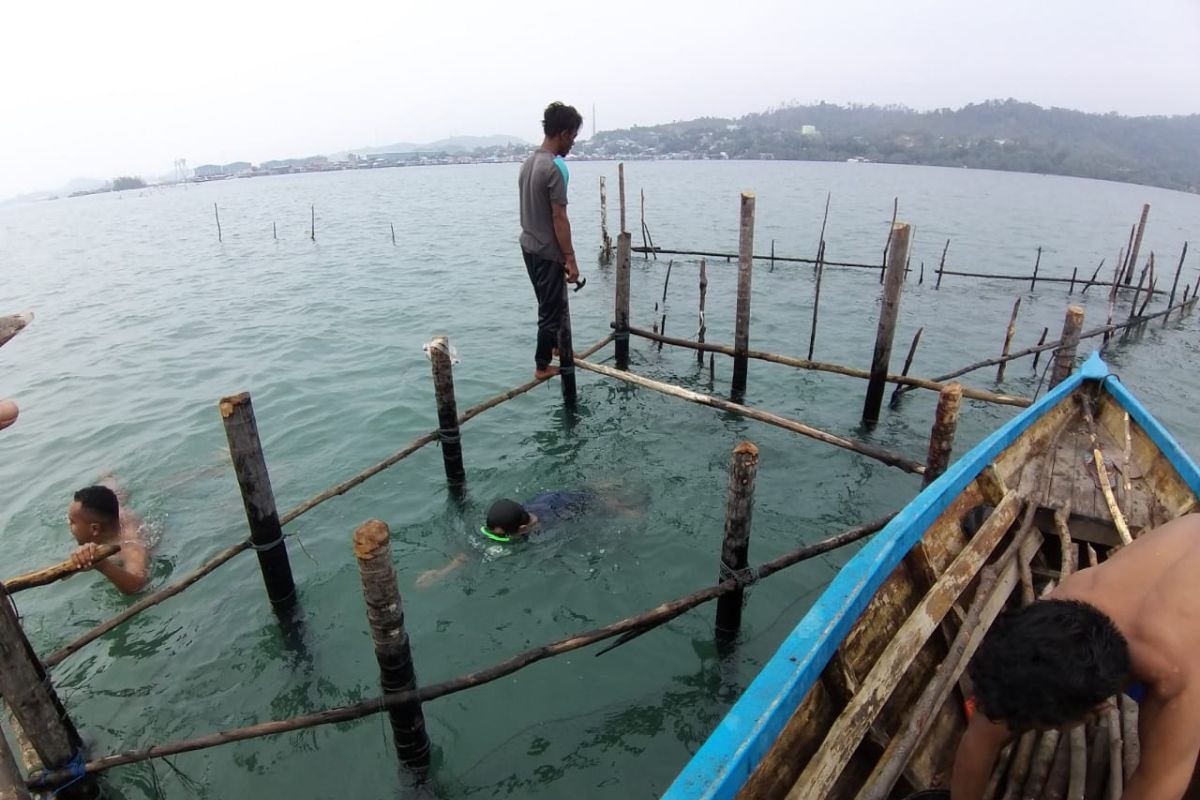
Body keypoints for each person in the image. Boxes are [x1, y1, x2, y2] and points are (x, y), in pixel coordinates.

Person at [951, 513, 1200, 800]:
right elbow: (982, 736)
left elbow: (1155, 787)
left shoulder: (1178, 680)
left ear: (1096, 709)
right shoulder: (1063, 606)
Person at [415, 490, 621, 588]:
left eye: (500, 536)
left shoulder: (556, 523)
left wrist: (621, 509)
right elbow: (478, 550)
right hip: (552, 498)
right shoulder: (519, 517)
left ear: (522, 529)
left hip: (578, 505)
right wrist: (442, 572)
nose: (494, 539)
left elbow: (593, 503)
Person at [518, 101, 584, 381]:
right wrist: (570, 257)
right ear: (565, 133)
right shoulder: (553, 169)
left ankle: (558, 347)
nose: (573, 144)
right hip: (546, 251)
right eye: (574, 138)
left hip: (528, 245)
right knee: (549, 310)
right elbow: (559, 217)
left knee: (549, 304)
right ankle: (542, 365)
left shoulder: (529, 163)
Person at [67, 482, 149, 595]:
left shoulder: (130, 546)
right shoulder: (112, 512)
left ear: (94, 529)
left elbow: (138, 585)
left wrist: (101, 564)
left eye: (72, 522)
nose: (68, 525)